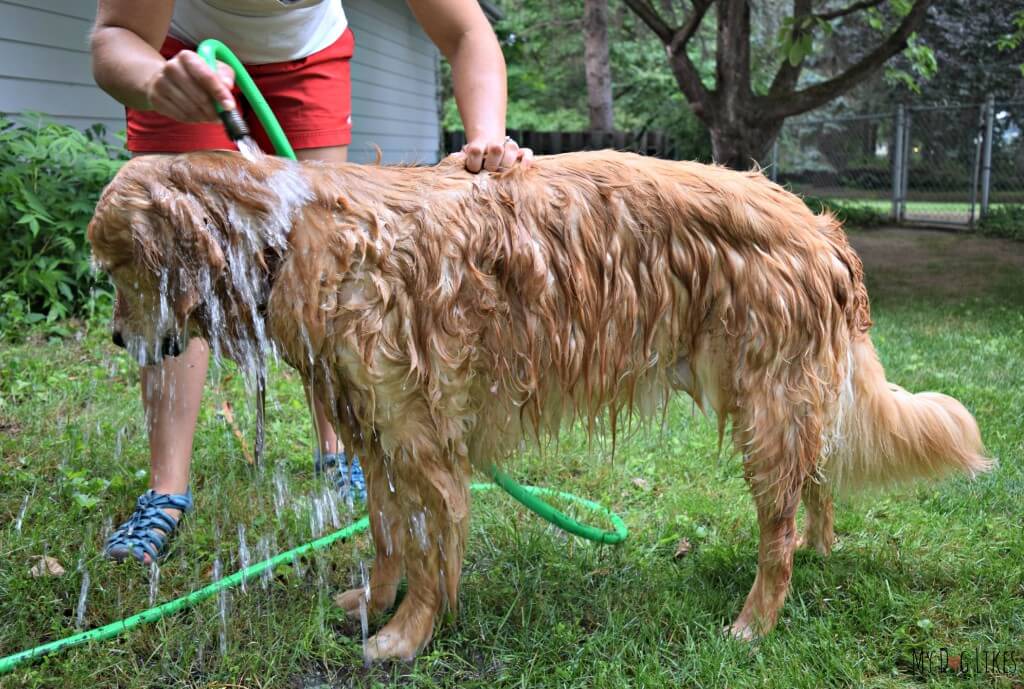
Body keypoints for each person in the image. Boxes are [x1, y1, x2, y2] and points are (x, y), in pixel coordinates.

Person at [91, 0, 531, 565]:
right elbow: (116, 36)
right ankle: (166, 490)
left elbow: (467, 31)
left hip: (308, 55)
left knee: (322, 262)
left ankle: (338, 452)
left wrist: (488, 139)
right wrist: (155, 79)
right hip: (180, 57)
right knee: (170, 261)